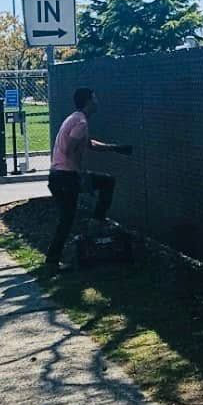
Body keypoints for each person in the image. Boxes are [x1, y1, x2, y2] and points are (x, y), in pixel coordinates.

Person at [43, 86, 132, 270]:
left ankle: (52, 260)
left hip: (57, 176)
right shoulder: (81, 122)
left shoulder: (75, 118)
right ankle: (96, 221)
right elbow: (70, 149)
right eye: (95, 98)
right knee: (108, 182)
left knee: (66, 219)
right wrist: (81, 175)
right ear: (88, 101)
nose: (97, 101)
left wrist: (114, 147)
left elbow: (87, 143)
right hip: (67, 177)